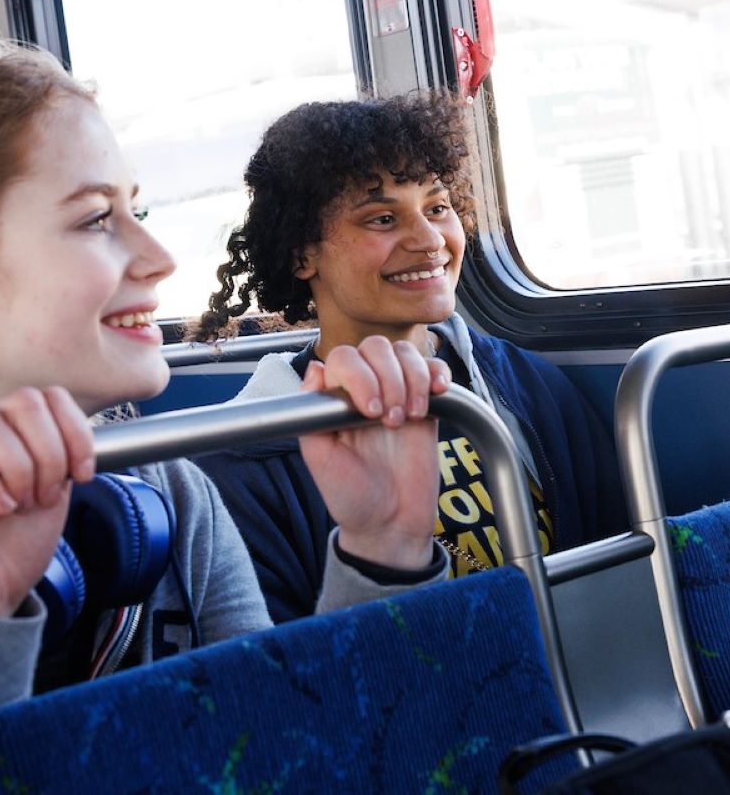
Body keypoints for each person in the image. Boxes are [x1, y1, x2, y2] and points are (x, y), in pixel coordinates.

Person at [0, 49, 450, 793]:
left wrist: (381, 551)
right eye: (95, 220)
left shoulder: (166, 486)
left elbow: (298, 769)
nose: (159, 256)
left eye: (134, 211)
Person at [188, 93, 626, 623]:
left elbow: (617, 583)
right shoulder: (246, 464)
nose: (428, 240)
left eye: (437, 208)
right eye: (381, 219)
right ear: (302, 254)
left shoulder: (527, 387)